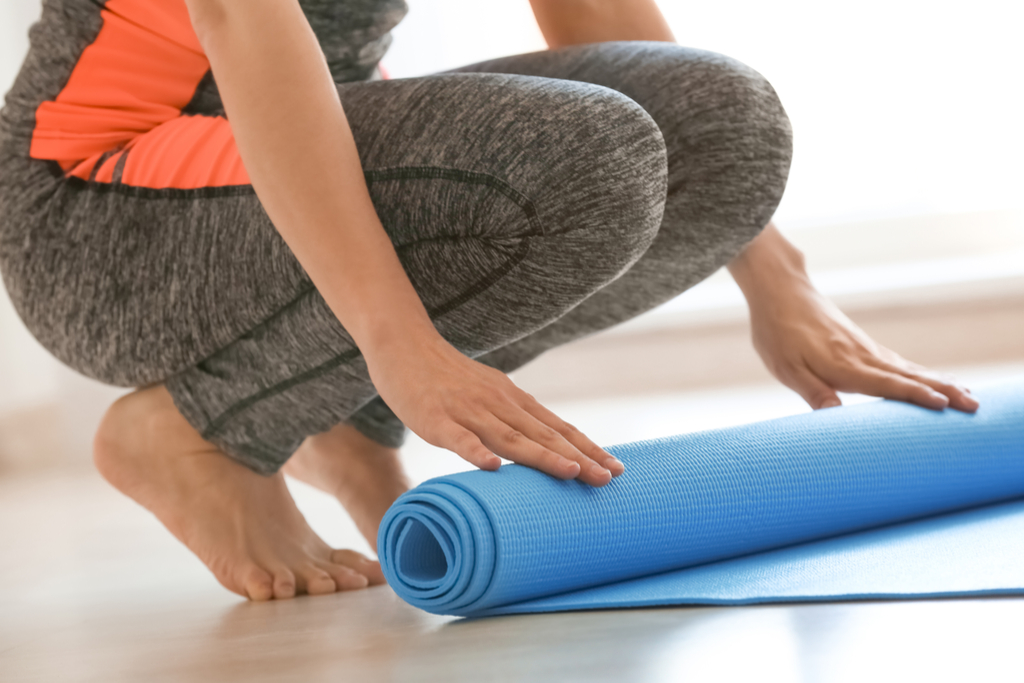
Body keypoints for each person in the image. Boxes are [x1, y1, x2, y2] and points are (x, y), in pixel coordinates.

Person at [0, 0, 978, 602]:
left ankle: (330, 411)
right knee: (580, 157)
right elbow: (240, 17)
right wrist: (392, 336)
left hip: (280, 180)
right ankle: (198, 425)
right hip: (95, 214)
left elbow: (589, 3)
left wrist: (775, 277)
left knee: (728, 128)